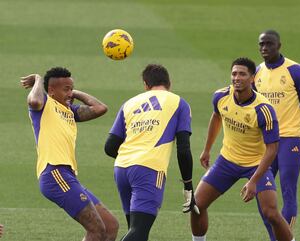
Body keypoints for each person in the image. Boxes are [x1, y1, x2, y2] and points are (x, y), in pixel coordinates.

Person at [190, 57, 294, 241]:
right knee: (197, 205)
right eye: (234, 73)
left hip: (256, 165)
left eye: (242, 74)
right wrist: (207, 149)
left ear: (252, 78)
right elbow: (217, 117)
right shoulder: (221, 96)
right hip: (227, 161)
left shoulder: (264, 110)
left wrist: (254, 181)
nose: (237, 78)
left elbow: (272, 149)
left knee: (271, 214)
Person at [21, 67, 119, 241]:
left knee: (110, 225)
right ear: (51, 90)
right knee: (96, 229)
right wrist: (38, 78)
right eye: (66, 89)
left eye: (71, 88)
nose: (70, 93)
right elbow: (33, 101)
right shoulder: (44, 104)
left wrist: (73, 92)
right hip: (54, 173)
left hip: (68, 176)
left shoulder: (70, 112)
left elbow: (100, 108)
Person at [104, 64, 199, 241]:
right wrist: (188, 185)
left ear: (146, 84)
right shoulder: (179, 103)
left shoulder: (129, 104)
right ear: (169, 83)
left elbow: (109, 147)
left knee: (136, 229)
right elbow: (183, 149)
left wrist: (132, 157)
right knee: (139, 231)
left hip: (122, 169)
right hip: (149, 169)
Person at [254, 30, 300, 241]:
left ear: (279, 45)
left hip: (290, 139)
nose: (265, 48)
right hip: (266, 143)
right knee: (259, 191)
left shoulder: (295, 70)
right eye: (262, 44)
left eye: (269, 44)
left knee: (288, 192)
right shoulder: (257, 73)